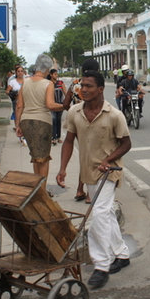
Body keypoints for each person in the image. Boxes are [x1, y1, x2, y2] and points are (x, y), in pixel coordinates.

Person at [56, 70, 131, 289]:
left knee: (98, 213)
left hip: (109, 171)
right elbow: (69, 141)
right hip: (88, 171)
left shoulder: (114, 115)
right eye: (82, 86)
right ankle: (122, 254)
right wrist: (62, 169)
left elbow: (126, 144)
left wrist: (109, 159)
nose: (83, 90)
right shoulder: (74, 112)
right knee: (105, 213)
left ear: (100, 89)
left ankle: (101, 265)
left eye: (89, 86)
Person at [15, 54, 64, 191]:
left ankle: (37, 188)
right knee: (43, 158)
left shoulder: (25, 82)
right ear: (47, 69)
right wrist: (64, 106)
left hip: (26, 122)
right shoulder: (48, 84)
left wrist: (18, 125)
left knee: (36, 157)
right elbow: (50, 105)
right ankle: (41, 191)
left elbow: (19, 105)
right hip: (41, 123)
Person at [63, 58, 100, 203]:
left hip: (77, 123)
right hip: (92, 122)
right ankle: (89, 194)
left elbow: (66, 103)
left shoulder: (75, 84)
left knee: (85, 156)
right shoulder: (96, 84)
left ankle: (80, 189)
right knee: (92, 158)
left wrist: (74, 111)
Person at [47, 69, 65, 145]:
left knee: (58, 120)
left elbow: (66, 93)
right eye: (55, 74)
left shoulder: (61, 83)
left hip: (60, 105)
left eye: (57, 74)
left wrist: (66, 103)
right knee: (53, 120)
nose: (56, 75)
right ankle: (53, 137)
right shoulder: (48, 83)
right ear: (51, 75)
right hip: (52, 105)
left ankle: (58, 137)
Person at [6, 65, 24, 130]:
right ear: (16, 73)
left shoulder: (27, 81)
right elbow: (7, 91)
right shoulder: (12, 82)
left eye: (22, 71)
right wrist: (13, 94)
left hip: (25, 102)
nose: (20, 73)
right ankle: (18, 129)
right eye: (18, 71)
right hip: (16, 102)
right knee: (17, 117)